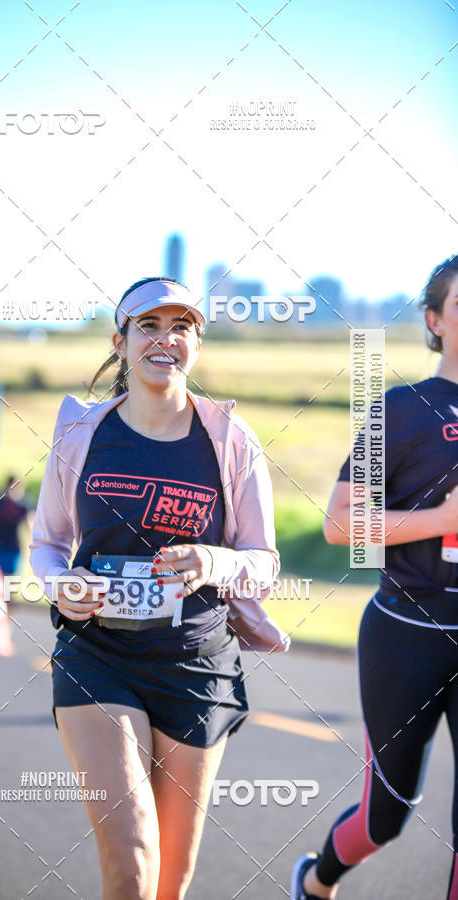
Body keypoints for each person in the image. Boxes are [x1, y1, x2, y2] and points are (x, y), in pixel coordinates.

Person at [30, 276, 289, 900]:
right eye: (149, 326)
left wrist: (212, 561)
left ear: (197, 344)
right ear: (120, 341)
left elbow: (263, 562)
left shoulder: (230, 441)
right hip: (99, 657)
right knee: (133, 858)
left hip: (196, 665)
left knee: (171, 880)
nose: (165, 339)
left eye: (182, 327)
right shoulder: (81, 434)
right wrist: (59, 584)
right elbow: (46, 543)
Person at [291, 254, 458, 900]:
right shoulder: (405, 408)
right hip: (406, 631)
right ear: (435, 320)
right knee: (388, 814)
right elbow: (340, 524)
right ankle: (318, 878)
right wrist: (443, 518)